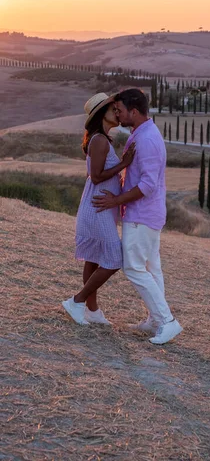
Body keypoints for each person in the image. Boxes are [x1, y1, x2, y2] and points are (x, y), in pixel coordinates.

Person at [92, 88, 182, 345]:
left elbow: (148, 185)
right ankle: (156, 321)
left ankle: (166, 321)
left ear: (133, 111)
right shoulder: (142, 134)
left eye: (120, 110)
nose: (117, 114)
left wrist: (115, 200)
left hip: (141, 214)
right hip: (147, 214)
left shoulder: (146, 140)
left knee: (133, 267)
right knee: (152, 268)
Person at [62, 92, 135, 325]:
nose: (117, 112)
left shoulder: (101, 139)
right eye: (112, 109)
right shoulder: (99, 140)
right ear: (101, 114)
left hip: (98, 207)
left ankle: (92, 311)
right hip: (97, 209)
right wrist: (124, 164)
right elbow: (95, 177)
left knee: (93, 259)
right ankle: (77, 301)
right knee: (114, 258)